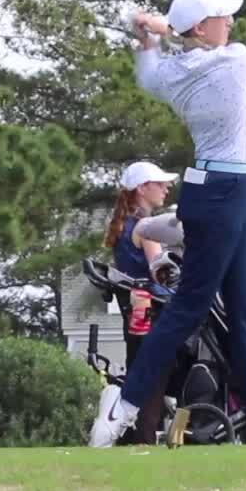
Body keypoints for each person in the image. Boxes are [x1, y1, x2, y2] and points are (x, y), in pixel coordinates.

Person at [89, 0, 246, 447]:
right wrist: (160, 28)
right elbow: (213, 50)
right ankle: (123, 409)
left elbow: (148, 71)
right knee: (187, 309)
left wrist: (151, 36)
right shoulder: (234, 60)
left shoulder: (170, 74)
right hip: (220, 193)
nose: (231, 23)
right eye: (222, 16)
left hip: (230, 192)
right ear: (201, 27)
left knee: (242, 310)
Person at [103, 160, 177, 443]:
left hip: (136, 312)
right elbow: (162, 273)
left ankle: (139, 436)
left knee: (140, 373)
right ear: (142, 189)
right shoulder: (147, 227)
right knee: (154, 378)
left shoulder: (126, 224)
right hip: (152, 311)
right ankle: (145, 439)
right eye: (160, 184)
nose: (166, 188)